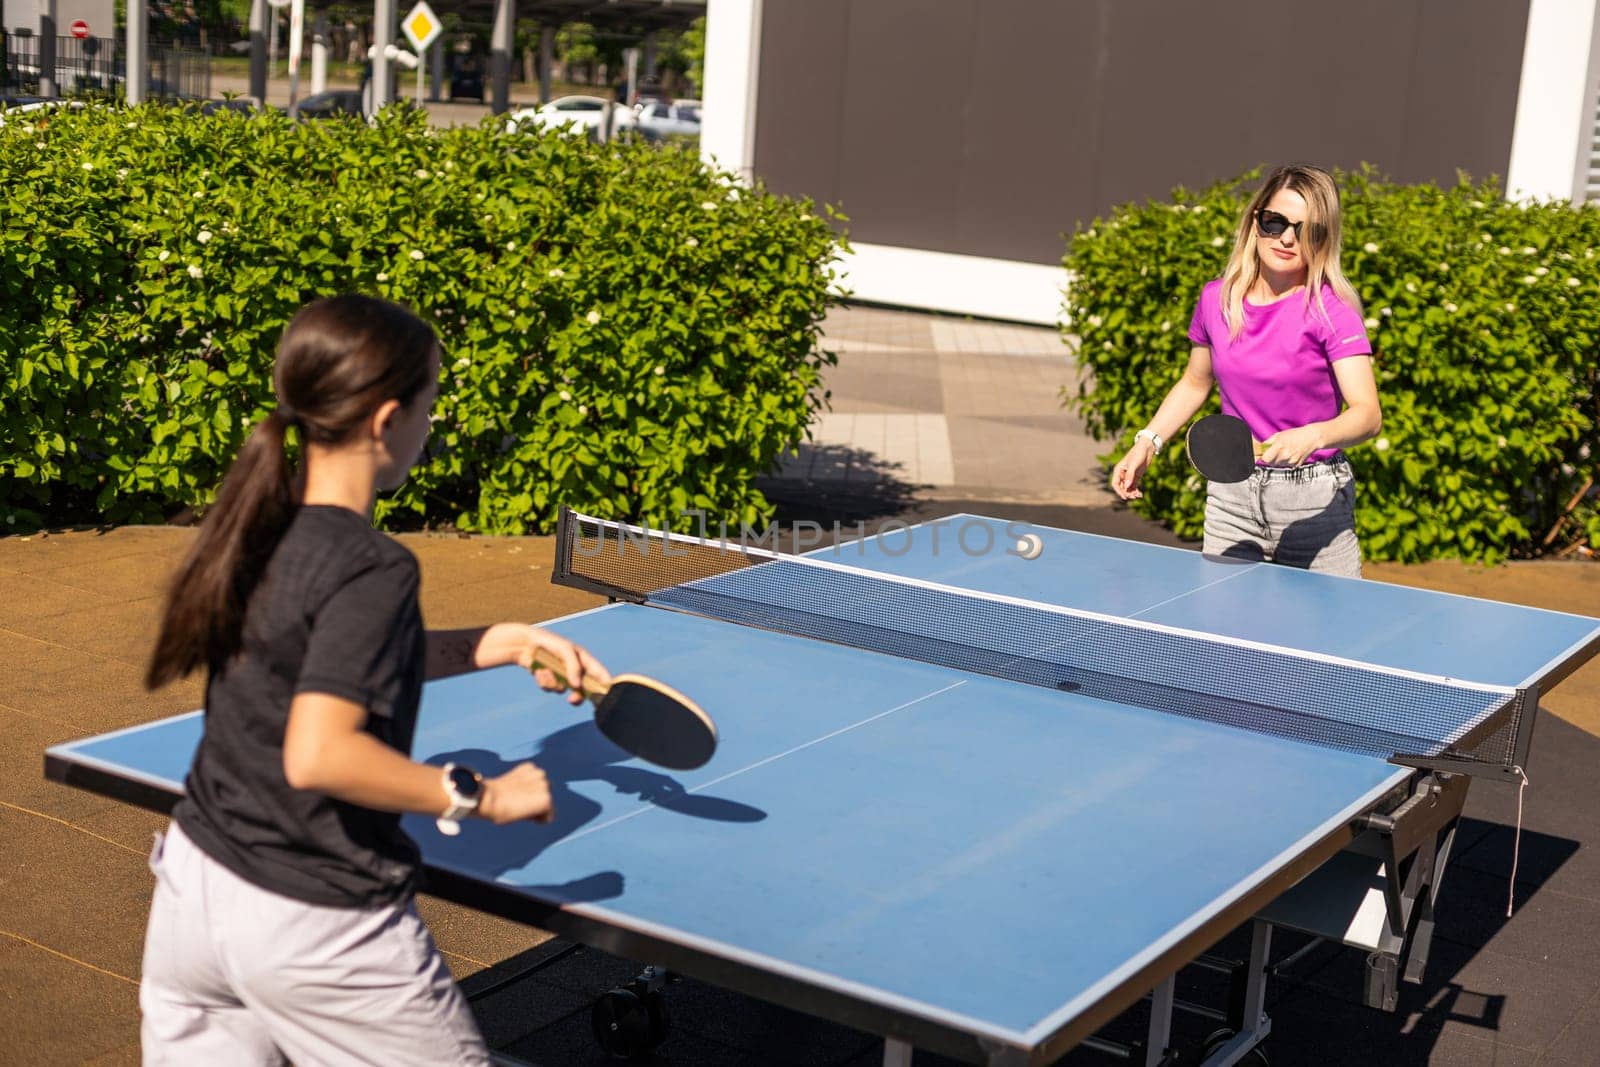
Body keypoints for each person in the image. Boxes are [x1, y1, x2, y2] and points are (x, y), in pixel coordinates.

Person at [139, 295, 609, 1065]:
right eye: (431, 403)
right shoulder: (373, 565)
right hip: (313, 923)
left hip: (195, 890)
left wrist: (500, 641)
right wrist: (482, 796)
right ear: (388, 419)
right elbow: (320, 754)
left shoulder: (259, 524)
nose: (434, 424)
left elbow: (329, 656)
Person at [1110, 163, 1382, 576]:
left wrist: (1314, 434)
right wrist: (1148, 441)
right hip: (1232, 495)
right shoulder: (1217, 300)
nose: (1287, 238)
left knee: (1327, 635)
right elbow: (1194, 382)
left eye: (1306, 230)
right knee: (1225, 634)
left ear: (1323, 238)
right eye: (1275, 222)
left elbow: (1368, 414)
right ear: (1256, 222)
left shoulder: (1332, 312)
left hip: (1313, 502)